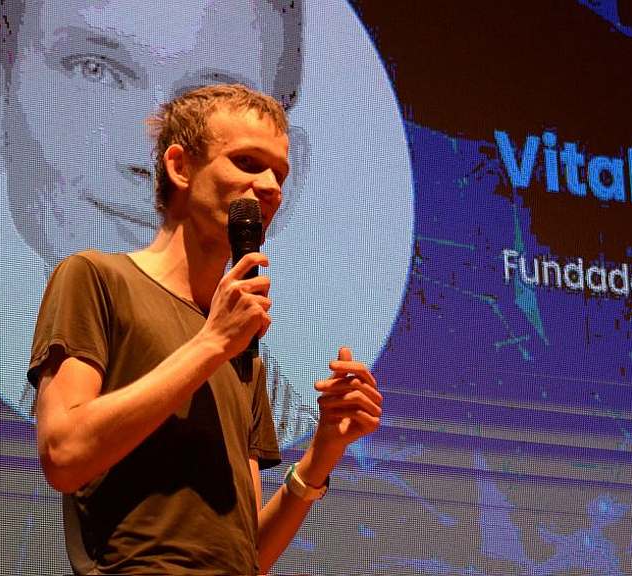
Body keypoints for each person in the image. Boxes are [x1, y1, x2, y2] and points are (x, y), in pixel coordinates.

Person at [27, 84, 383, 575]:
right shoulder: (97, 278)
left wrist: (323, 452)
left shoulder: (241, 341)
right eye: (247, 162)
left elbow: (247, 554)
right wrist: (212, 343)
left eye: (279, 173)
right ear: (180, 167)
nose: (271, 187)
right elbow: (63, 453)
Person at [0, 0, 319, 440]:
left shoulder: (264, 423)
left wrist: (320, 457)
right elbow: (66, 455)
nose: (150, 159)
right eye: (94, 70)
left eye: (210, 108)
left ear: (282, 179)